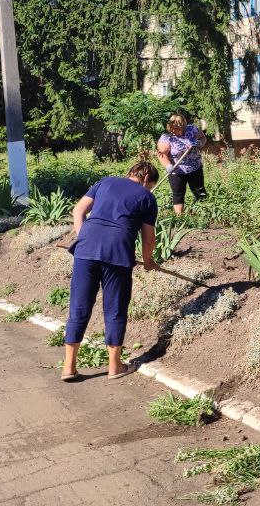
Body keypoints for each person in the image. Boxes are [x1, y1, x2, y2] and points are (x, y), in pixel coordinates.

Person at [62, 158, 159, 381]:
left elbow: (78, 212)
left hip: (85, 249)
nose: (150, 188)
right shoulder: (147, 197)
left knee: (79, 306)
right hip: (118, 252)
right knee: (115, 308)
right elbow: (148, 238)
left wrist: (84, 238)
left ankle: (68, 367)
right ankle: (115, 367)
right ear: (146, 179)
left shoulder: (104, 182)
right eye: (151, 185)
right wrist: (148, 261)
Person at [156, 114, 206, 217]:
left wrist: (198, 143)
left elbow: (203, 138)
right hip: (176, 171)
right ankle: (180, 218)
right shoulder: (166, 138)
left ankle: (205, 213)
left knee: (200, 191)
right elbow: (162, 154)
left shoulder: (192, 130)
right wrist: (168, 166)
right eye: (172, 128)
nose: (173, 131)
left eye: (176, 128)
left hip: (195, 168)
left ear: (183, 126)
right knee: (178, 194)